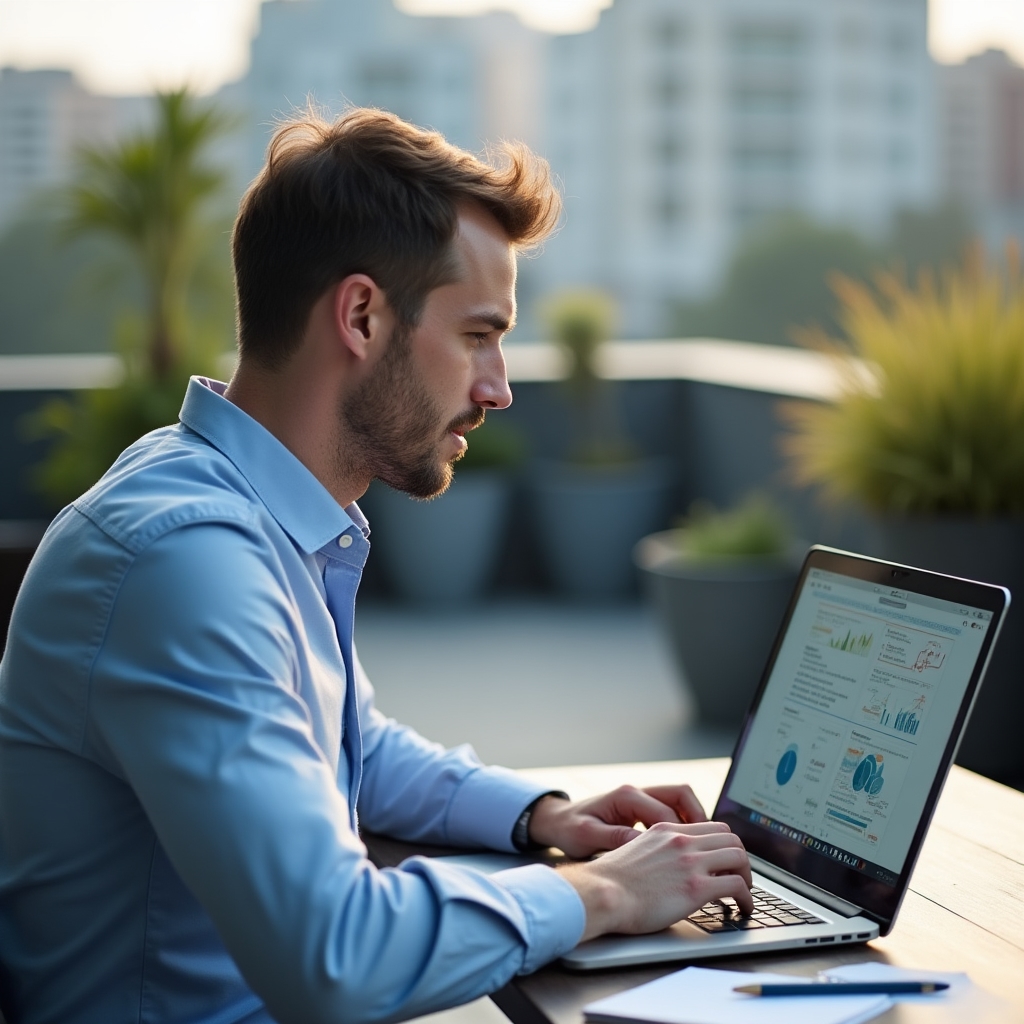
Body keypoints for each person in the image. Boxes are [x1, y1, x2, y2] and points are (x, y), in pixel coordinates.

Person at [0, 109, 752, 1024]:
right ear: (360, 315)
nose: (500, 387)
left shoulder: (236, 501)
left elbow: (349, 741)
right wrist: (606, 894)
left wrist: (544, 816)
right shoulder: (186, 562)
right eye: (479, 334)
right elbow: (335, 954)